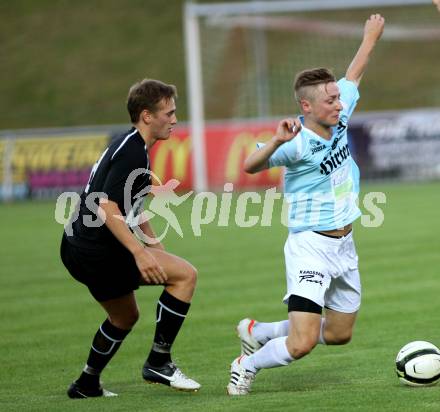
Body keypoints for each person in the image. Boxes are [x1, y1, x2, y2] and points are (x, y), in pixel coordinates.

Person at [227, 14, 385, 395]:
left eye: (336, 97)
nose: (338, 103)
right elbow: (249, 166)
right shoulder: (296, 142)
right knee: (302, 343)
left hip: (344, 244)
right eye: (330, 100)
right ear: (307, 106)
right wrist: (277, 141)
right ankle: (244, 365)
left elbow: (355, 73)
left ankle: (257, 332)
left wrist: (369, 36)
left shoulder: (340, 113)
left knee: (339, 333)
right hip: (310, 247)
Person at [60, 79, 200, 398]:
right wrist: (139, 252)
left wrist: (154, 247)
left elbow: (132, 207)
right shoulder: (134, 153)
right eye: (170, 112)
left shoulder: (129, 144)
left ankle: (85, 384)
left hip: (77, 247)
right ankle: (159, 361)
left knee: (125, 316)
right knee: (186, 276)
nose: (175, 119)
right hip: (98, 249)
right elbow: (105, 204)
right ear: (147, 115)